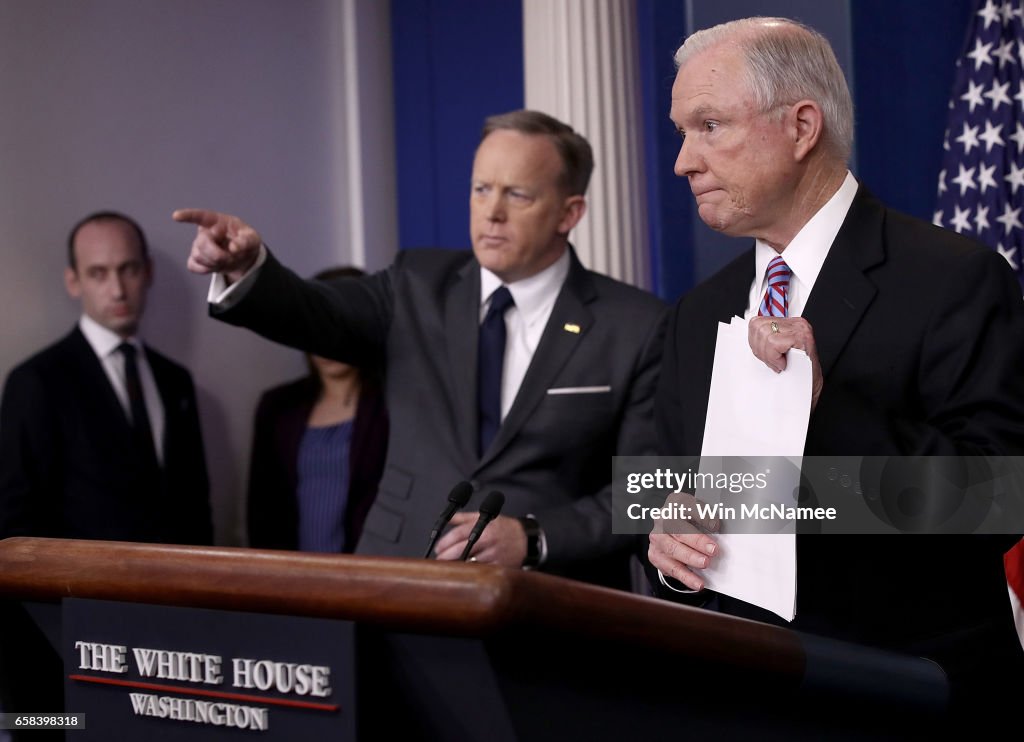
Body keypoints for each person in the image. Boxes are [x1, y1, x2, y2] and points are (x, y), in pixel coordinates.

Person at [647, 17, 1024, 717]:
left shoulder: (954, 278)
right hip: (741, 694)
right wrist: (665, 538)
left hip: (907, 695)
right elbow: (661, 486)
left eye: (708, 125)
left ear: (801, 126)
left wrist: (822, 403)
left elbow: (997, 504)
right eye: (681, 132)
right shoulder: (699, 313)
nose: (683, 162)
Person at [175, 109, 666, 588]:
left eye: (517, 194)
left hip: (551, 612)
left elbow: (651, 491)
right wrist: (246, 268)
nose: (492, 212)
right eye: (481, 190)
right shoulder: (416, 285)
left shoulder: (635, 325)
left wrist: (535, 538)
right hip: (399, 593)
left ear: (569, 213)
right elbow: (314, 310)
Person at [0, 211, 212, 544]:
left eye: (128, 269)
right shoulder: (36, 381)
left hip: (174, 589)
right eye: (98, 274)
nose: (117, 290)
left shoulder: (175, 380)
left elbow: (195, 506)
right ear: (74, 281)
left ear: (148, 271)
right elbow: (16, 519)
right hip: (79, 592)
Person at [247, 266, 389, 553]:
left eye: (340, 325)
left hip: (374, 576)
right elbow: (262, 511)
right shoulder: (278, 407)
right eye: (318, 325)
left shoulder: (392, 404)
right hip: (293, 580)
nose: (328, 342)